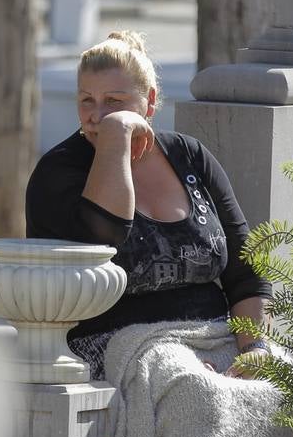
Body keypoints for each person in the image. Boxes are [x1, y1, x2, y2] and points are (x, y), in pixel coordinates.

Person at [25, 31, 273, 381]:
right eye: (86, 101)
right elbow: (108, 233)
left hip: (214, 335)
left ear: (151, 101)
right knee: (192, 391)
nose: (97, 115)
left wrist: (254, 348)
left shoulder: (189, 156)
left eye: (113, 101)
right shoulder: (60, 171)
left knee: (292, 389)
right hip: (121, 343)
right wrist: (118, 131)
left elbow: (246, 274)